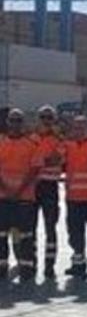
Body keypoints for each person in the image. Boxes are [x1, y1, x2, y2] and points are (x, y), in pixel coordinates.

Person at [0, 109, 41, 282]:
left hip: (24, 198)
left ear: (22, 123)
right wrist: (6, 189)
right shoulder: (1, 142)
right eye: (12, 120)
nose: (15, 124)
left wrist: (18, 190)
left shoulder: (31, 144)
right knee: (1, 235)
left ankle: (26, 268)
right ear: (7, 122)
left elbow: (34, 169)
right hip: (3, 198)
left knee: (25, 235)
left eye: (18, 120)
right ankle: (2, 268)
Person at [62, 115, 87, 278]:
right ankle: (78, 263)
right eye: (76, 127)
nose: (79, 130)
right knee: (75, 233)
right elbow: (57, 159)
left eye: (83, 127)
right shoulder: (67, 146)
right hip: (73, 198)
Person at [32, 106, 64, 279]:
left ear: (54, 119)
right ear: (39, 119)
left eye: (49, 117)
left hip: (50, 186)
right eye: (43, 117)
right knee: (30, 227)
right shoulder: (32, 138)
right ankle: (31, 263)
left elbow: (56, 159)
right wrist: (42, 160)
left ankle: (49, 265)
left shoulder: (59, 139)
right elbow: (28, 159)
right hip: (32, 186)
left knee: (50, 227)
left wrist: (38, 160)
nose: (46, 120)